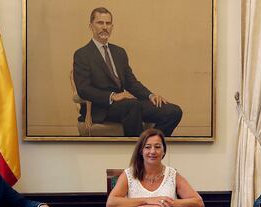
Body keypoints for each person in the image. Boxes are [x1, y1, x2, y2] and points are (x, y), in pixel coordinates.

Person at [73, 7, 183, 137]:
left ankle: (148, 143)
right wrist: (112, 96)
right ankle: (139, 152)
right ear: (91, 26)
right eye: (100, 23)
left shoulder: (119, 52)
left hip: (127, 105)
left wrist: (150, 96)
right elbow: (83, 89)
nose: (104, 27)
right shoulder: (82, 54)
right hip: (101, 108)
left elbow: (131, 82)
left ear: (112, 27)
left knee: (173, 111)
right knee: (132, 105)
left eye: (108, 23)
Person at [106, 128, 204, 207]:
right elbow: (111, 203)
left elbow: (198, 202)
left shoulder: (172, 175)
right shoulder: (129, 175)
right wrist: (147, 200)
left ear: (164, 151)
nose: (153, 151)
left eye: (157, 147)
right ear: (141, 151)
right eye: (148, 147)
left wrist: (169, 203)